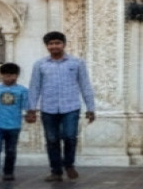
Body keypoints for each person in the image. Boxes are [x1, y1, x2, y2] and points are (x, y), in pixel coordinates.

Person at [26, 31, 95, 182]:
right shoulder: (40, 64)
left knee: (70, 136)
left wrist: (91, 108)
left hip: (71, 107)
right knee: (51, 140)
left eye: (57, 43)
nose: (54, 46)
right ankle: (56, 171)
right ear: (47, 46)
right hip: (48, 108)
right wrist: (31, 109)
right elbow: (34, 87)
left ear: (64, 44)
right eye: (51, 44)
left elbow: (85, 85)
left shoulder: (76, 63)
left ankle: (69, 165)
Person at [0, 63, 29, 184]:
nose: (9, 78)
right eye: (6, 75)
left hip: (14, 125)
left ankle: (8, 172)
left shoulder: (22, 90)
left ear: (17, 76)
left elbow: (26, 106)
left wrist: (30, 113)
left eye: (12, 75)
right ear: (1, 75)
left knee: (11, 150)